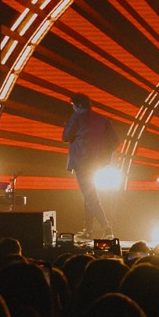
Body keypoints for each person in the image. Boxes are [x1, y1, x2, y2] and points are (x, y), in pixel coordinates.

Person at [61, 93, 118, 238]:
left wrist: (69, 123)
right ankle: (88, 230)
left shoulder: (77, 118)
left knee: (90, 196)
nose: (72, 109)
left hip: (82, 162)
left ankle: (106, 229)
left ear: (79, 106)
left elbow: (65, 137)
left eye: (73, 106)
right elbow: (115, 141)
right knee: (89, 196)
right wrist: (104, 157)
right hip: (97, 163)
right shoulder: (103, 119)